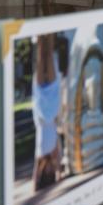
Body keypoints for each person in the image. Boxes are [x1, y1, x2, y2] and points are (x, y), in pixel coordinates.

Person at [32, 34, 62, 190]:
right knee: (49, 55)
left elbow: (34, 180)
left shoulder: (39, 156)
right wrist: (57, 172)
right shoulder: (55, 154)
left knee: (40, 55)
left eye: (47, 172)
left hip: (41, 112)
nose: (49, 169)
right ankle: (49, 33)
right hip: (52, 110)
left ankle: (39, 35)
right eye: (51, 172)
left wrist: (36, 182)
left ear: (42, 172)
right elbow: (59, 173)